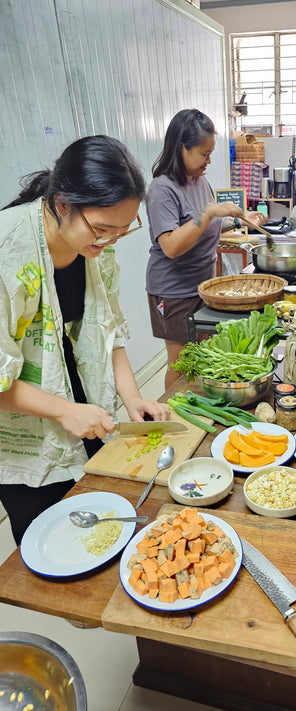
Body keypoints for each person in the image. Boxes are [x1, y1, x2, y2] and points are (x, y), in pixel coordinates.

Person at [0, 135, 169, 545]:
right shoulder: (9, 252)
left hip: (79, 409)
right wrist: (62, 411)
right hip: (23, 427)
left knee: (100, 529)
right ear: (62, 203)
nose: (110, 240)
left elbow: (107, 330)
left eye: (122, 231)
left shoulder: (94, 248)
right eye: (103, 229)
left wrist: (133, 398)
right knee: (51, 542)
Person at [145, 109, 268, 389]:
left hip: (203, 286)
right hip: (173, 291)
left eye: (210, 153)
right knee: (181, 362)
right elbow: (172, 246)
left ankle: (196, 402)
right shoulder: (162, 189)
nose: (208, 161)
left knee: (203, 356)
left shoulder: (200, 181)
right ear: (181, 148)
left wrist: (236, 221)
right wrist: (211, 211)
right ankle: (176, 414)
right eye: (203, 154)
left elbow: (204, 226)